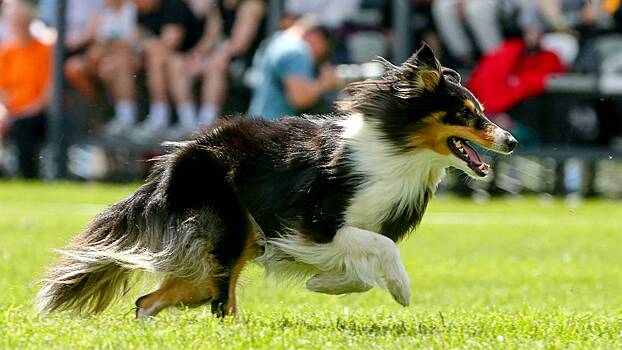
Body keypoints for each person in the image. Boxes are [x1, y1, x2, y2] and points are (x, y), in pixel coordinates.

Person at [63, 0, 139, 136]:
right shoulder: (101, 14)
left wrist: (108, 48)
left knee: (115, 65)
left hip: (130, 58)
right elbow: (94, 45)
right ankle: (101, 109)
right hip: (104, 59)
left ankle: (126, 117)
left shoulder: (133, 9)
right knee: (75, 67)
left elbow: (130, 42)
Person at [132, 0, 203, 141]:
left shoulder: (173, 5)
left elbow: (171, 42)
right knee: (117, 63)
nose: (134, 3)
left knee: (163, 61)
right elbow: (134, 40)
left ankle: (183, 121)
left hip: (193, 57)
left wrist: (145, 44)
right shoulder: (142, 10)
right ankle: (133, 118)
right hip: (167, 59)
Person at [191, 0, 267, 127]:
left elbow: (240, 45)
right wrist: (197, 55)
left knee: (215, 66)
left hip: (249, 61)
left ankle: (205, 123)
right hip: (223, 55)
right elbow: (211, 35)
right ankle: (185, 120)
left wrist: (214, 57)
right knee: (180, 64)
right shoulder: (218, 5)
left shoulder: (252, 5)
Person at [0, 0, 52, 179]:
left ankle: (28, 176)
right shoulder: (7, 52)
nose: (19, 26)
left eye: (22, 20)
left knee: (23, 127)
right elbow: (2, 92)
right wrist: (6, 113)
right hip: (12, 113)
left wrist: (18, 114)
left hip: (38, 113)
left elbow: (47, 96)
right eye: (15, 21)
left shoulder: (45, 51)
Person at [248, 20, 340, 119]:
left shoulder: (278, 40)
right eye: (324, 51)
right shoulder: (297, 53)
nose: (320, 57)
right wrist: (325, 83)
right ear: (315, 37)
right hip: (276, 128)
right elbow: (300, 99)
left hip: (258, 122)